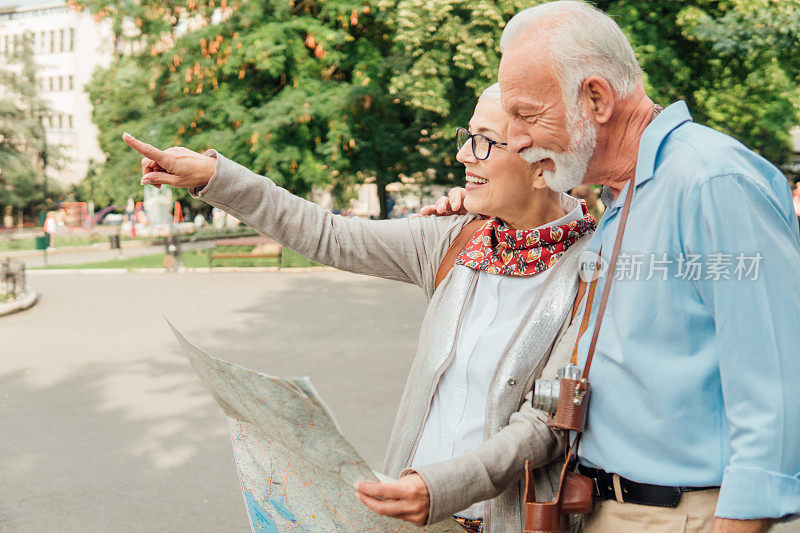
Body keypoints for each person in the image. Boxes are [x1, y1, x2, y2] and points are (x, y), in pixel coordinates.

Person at [123, 84, 595, 532]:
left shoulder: (597, 270)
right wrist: (216, 177)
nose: (463, 154)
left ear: (542, 164)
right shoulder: (453, 239)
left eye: (486, 142)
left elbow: (544, 426)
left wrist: (440, 488)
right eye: (467, 137)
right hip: (410, 519)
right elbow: (327, 235)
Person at [427, 2, 800, 532]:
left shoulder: (710, 182)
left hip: (680, 515)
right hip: (608, 508)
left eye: (527, 115)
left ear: (595, 99)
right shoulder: (623, 197)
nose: (514, 139)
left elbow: (777, 393)